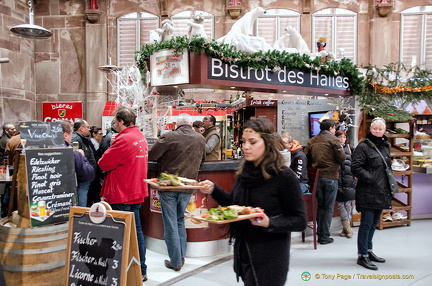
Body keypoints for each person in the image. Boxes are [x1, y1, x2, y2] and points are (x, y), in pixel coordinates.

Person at [198, 118, 307, 286]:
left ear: (268, 143)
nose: (245, 147)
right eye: (244, 142)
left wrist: (269, 222)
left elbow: (299, 220)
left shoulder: (283, 176)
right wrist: (213, 189)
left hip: (270, 256)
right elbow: (235, 206)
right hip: (244, 251)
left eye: (252, 142)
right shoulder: (244, 174)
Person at [148, 113, 206, 272]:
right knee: (180, 220)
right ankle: (180, 256)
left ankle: (175, 261)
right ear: (190, 123)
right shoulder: (200, 138)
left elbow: (152, 155)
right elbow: (203, 159)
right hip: (187, 187)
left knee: (170, 223)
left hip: (169, 186)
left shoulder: (168, 137)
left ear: (177, 123)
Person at [98, 107, 149, 282]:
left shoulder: (123, 139)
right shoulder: (140, 136)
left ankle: (120, 272)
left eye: (115, 122)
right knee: (137, 232)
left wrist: (111, 146)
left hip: (122, 191)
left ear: (121, 121)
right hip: (135, 190)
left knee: (120, 233)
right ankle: (140, 269)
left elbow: (103, 164)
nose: (115, 125)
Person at [352, 117, 391, 270]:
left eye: (380, 129)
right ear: (370, 129)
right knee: (366, 224)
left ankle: (369, 250)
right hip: (367, 191)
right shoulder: (363, 146)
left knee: (373, 224)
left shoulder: (385, 145)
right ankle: (362, 255)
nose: (377, 131)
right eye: (375, 128)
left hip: (381, 191)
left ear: (384, 130)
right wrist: (371, 179)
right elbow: (356, 167)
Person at [304, 119, 346, 245]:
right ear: (331, 128)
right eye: (334, 128)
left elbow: (306, 157)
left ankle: (319, 233)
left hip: (317, 178)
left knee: (320, 206)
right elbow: (342, 158)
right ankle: (324, 236)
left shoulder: (312, 140)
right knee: (328, 208)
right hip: (331, 176)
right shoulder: (334, 140)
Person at [58, 120, 95, 185]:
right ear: (65, 135)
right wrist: (82, 157)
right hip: (67, 189)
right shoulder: (73, 153)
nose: (72, 137)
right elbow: (88, 174)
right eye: (71, 134)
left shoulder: (39, 152)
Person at [335, 129, 356, 238]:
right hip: (337, 178)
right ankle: (348, 228)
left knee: (348, 204)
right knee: (340, 204)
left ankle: (345, 228)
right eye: (340, 137)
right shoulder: (334, 148)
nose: (342, 139)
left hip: (349, 179)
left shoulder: (350, 148)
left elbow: (356, 162)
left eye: (343, 137)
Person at [72, 119, 97, 207]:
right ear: (81, 128)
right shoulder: (76, 139)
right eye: (87, 127)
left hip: (86, 174)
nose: (89, 129)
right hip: (82, 175)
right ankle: (80, 216)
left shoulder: (83, 139)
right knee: (82, 197)